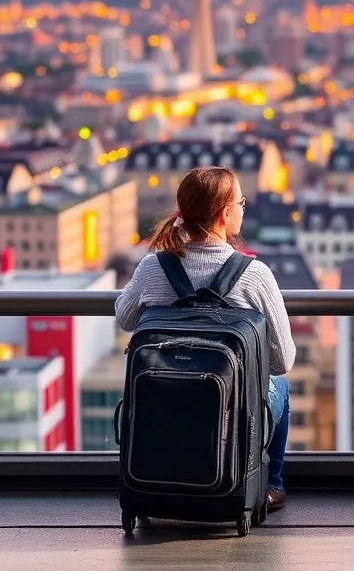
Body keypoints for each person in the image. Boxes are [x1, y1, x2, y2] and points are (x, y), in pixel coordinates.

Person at [115, 166, 296, 513]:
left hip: (163, 403)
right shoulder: (255, 276)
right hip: (231, 414)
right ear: (225, 214)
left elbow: (124, 317)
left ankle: (156, 484)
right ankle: (270, 487)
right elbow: (281, 362)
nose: (243, 208)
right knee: (281, 387)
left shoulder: (153, 267)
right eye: (240, 202)